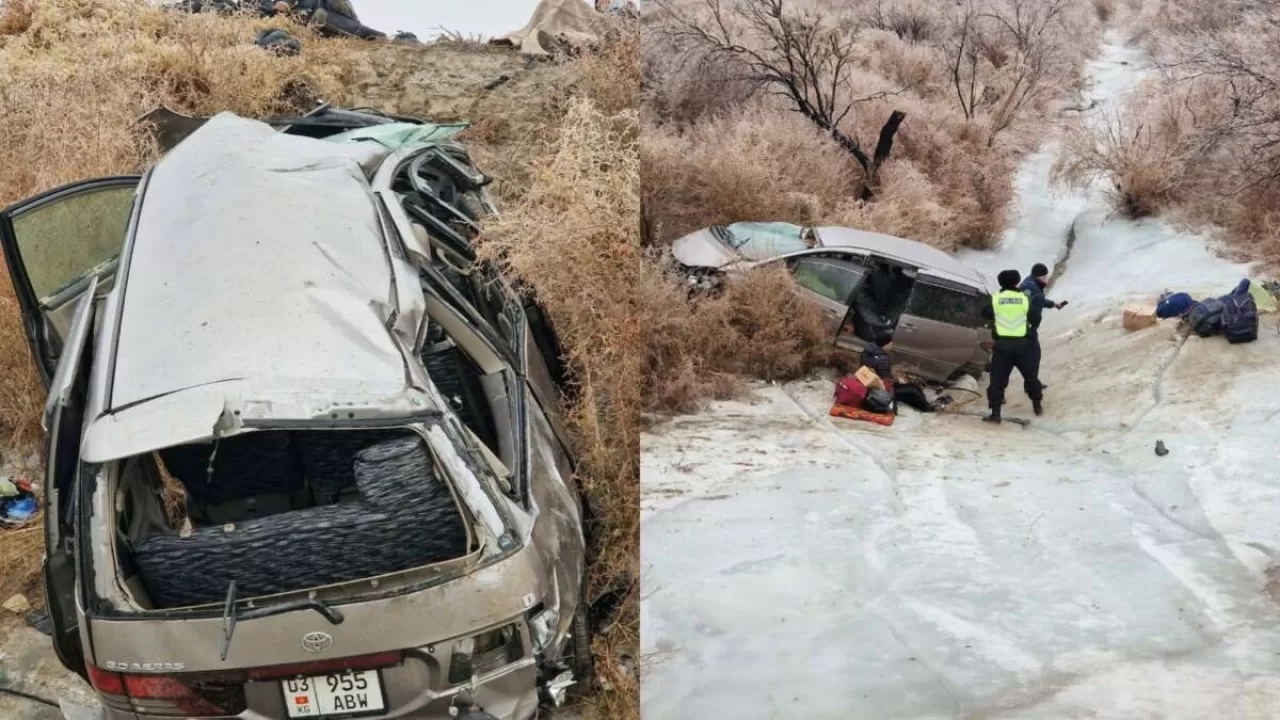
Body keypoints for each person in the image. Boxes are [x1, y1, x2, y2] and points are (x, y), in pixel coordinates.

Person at [981, 269, 1044, 422]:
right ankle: (1037, 405)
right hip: (1024, 346)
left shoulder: (996, 299)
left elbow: (985, 313)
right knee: (1031, 378)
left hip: (1002, 346)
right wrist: (1028, 328)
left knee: (997, 381)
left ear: (1000, 282)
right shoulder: (1023, 299)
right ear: (1017, 282)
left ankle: (995, 414)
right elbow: (1036, 318)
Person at [860, 332, 938, 413]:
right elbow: (887, 380)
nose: (892, 344)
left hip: (869, 382)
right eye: (890, 342)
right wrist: (897, 380)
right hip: (880, 389)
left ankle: (925, 403)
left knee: (913, 387)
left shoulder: (868, 351)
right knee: (912, 391)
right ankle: (927, 408)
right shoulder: (883, 359)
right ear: (885, 344)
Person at [1019, 262, 1066, 386]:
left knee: (1032, 356)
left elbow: (1038, 300)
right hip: (1024, 328)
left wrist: (1053, 304)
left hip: (1028, 327)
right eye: (1044, 277)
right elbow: (1024, 303)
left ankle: (1032, 383)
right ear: (1038, 276)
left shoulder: (1033, 284)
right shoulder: (1028, 287)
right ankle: (1032, 384)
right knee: (1032, 356)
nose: (1046, 279)